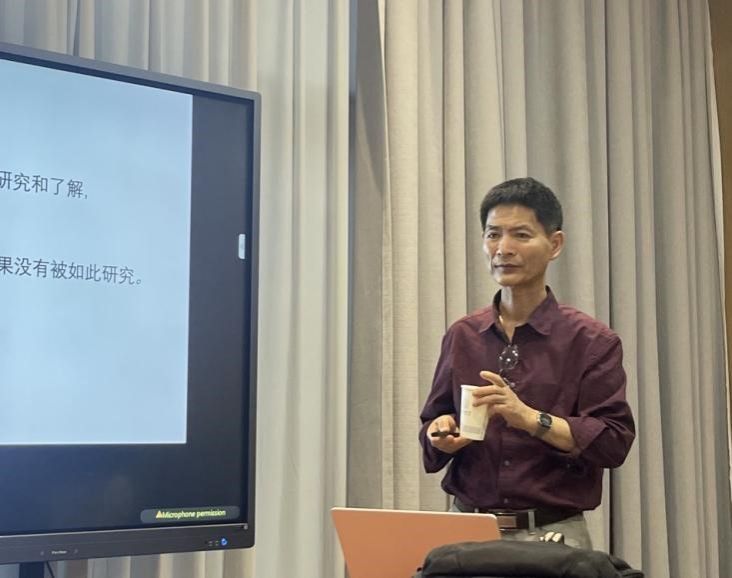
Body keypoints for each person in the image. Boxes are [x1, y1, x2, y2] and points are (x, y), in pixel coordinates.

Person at [419, 177, 636, 549]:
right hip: (467, 528)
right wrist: (441, 433)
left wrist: (530, 418)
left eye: (520, 235)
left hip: (554, 534)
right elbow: (433, 427)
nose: (503, 249)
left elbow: (613, 442)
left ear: (555, 244)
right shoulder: (463, 335)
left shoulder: (591, 341)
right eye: (493, 235)